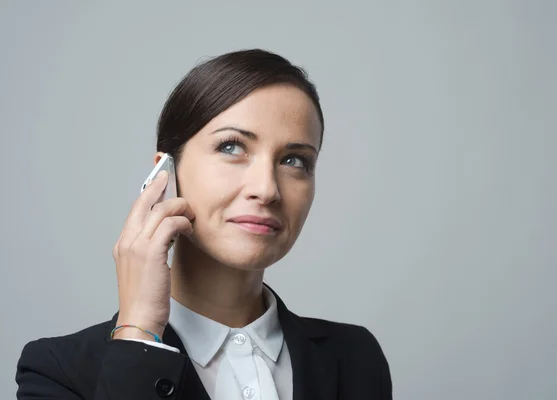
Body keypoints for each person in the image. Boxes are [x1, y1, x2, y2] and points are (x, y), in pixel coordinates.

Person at [15, 49, 392, 400]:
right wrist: (138, 333)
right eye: (231, 147)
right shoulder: (58, 371)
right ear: (164, 174)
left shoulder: (356, 359)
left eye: (294, 160)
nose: (266, 190)